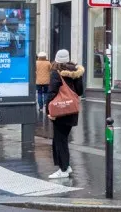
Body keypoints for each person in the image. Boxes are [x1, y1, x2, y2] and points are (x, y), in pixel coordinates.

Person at [46, 49, 85, 180]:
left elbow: (51, 93)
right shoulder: (77, 72)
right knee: (63, 139)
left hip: (60, 111)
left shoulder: (56, 73)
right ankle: (66, 166)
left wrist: (48, 110)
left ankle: (63, 169)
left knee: (60, 140)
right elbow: (79, 92)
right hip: (72, 110)